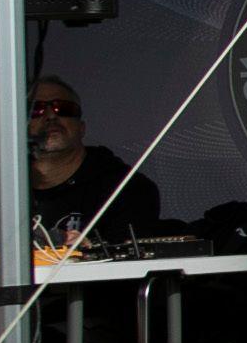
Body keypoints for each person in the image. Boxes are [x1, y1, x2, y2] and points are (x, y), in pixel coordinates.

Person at [28, 75, 159, 250]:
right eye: (36, 109)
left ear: (82, 128)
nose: (51, 116)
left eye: (64, 109)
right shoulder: (6, 191)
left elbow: (128, 259)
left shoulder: (126, 189)